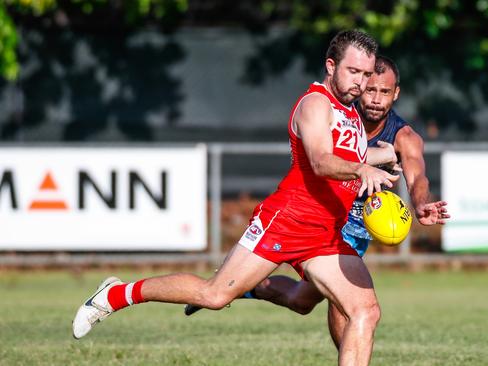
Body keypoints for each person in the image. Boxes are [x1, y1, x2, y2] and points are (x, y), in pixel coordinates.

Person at [72, 30, 399, 366]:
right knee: (213, 295)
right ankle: (116, 295)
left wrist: (380, 157)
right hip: (287, 222)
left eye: (366, 74)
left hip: (326, 233)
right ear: (331, 66)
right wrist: (362, 169)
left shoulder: (351, 114)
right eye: (353, 72)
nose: (360, 82)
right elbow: (320, 160)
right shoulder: (315, 104)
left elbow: (346, 153)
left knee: (364, 311)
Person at [185, 56, 451, 349]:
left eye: (384, 92)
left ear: (396, 93)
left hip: (357, 225)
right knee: (350, 306)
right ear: (360, 85)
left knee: (300, 301)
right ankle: (229, 286)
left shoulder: (405, 137)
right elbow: (318, 159)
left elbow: (417, 177)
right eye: (370, 90)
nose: (376, 99)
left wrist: (422, 202)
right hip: (318, 213)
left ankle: (246, 287)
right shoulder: (335, 114)